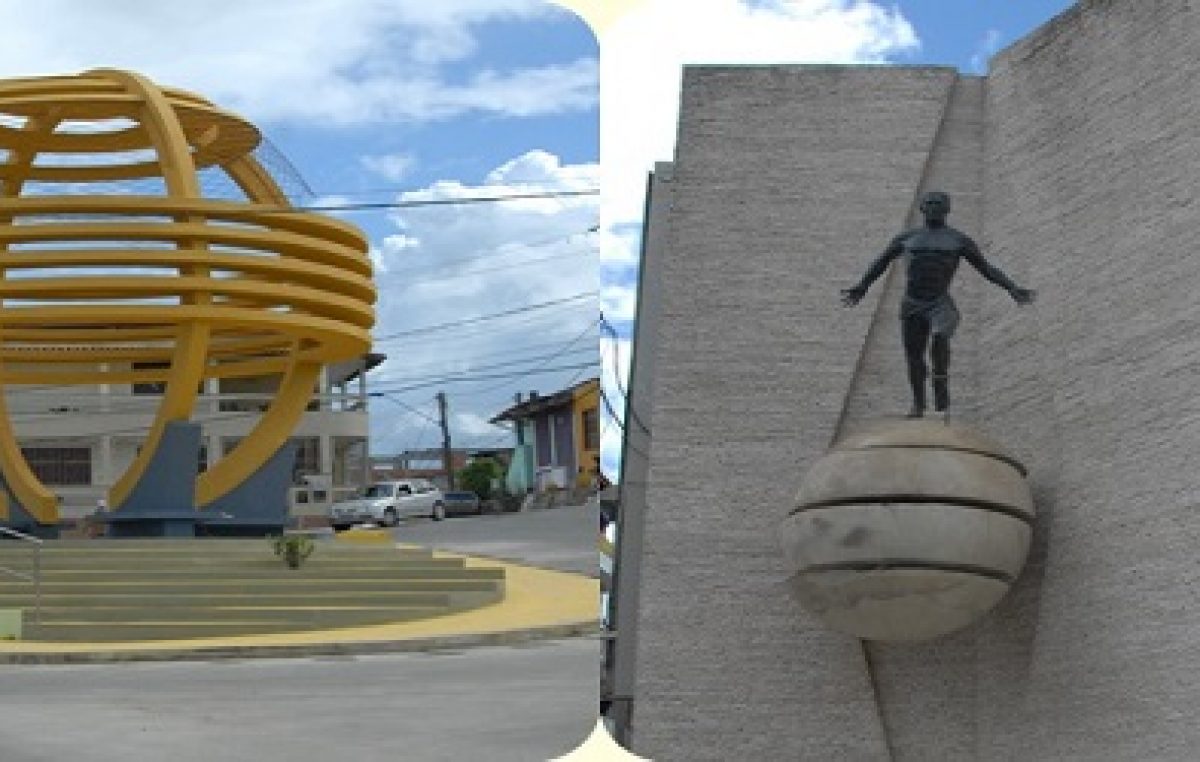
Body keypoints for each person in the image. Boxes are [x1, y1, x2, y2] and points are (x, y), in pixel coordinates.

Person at [841, 191, 1035, 417]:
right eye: (929, 203)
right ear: (922, 208)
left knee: (940, 336)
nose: (934, 207)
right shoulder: (907, 238)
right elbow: (881, 262)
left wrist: (1010, 286)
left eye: (939, 204)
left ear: (947, 209)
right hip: (913, 303)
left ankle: (940, 389)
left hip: (940, 302)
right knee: (914, 357)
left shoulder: (958, 240)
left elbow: (985, 267)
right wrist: (863, 285)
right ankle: (918, 403)